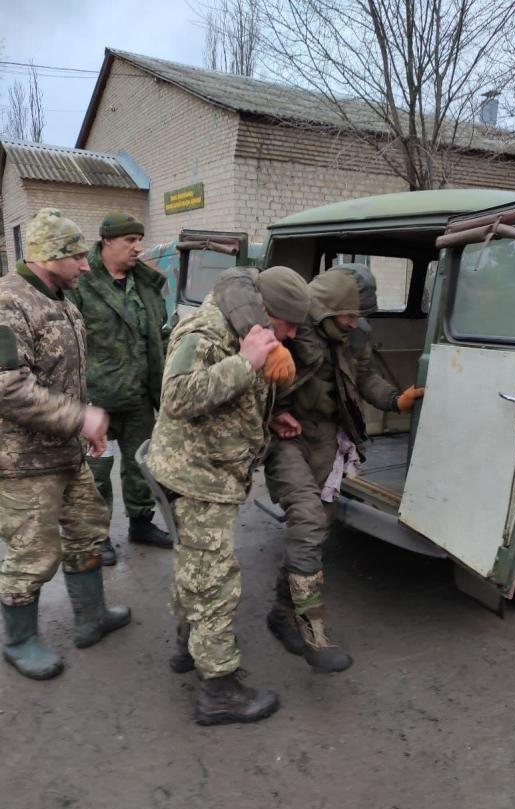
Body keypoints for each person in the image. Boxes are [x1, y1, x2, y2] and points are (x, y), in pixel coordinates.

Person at [145, 265, 310, 726]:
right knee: (216, 582)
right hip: (197, 476)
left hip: (211, 471)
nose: (293, 334)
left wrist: (269, 420)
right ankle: (219, 691)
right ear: (267, 308)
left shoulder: (251, 329)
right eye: (289, 324)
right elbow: (177, 396)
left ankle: (187, 646)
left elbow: (231, 399)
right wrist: (246, 364)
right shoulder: (207, 330)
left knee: (196, 567)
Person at [264, 263, 424, 673]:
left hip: (328, 439)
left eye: (359, 316)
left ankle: (284, 612)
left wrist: (394, 400)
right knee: (307, 519)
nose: (355, 323)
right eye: (349, 315)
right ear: (326, 309)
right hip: (285, 436)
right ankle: (311, 631)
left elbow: (365, 378)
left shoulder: (356, 335)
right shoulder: (292, 330)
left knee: (316, 528)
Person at [0, 208, 131, 681]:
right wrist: (81, 418)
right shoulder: (8, 304)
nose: (86, 264)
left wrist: (86, 429)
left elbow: (69, 379)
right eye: (77, 255)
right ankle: (18, 640)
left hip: (67, 453)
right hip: (23, 463)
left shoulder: (64, 300)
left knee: (88, 530)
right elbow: (8, 388)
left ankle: (91, 618)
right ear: (49, 257)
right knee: (31, 554)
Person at [68, 211, 172, 566]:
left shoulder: (144, 283)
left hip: (140, 396)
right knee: (97, 472)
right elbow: (69, 343)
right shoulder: (81, 284)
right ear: (107, 241)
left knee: (140, 465)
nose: (137, 248)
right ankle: (98, 537)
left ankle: (140, 523)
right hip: (99, 401)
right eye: (130, 240)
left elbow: (158, 333)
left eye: (139, 240)